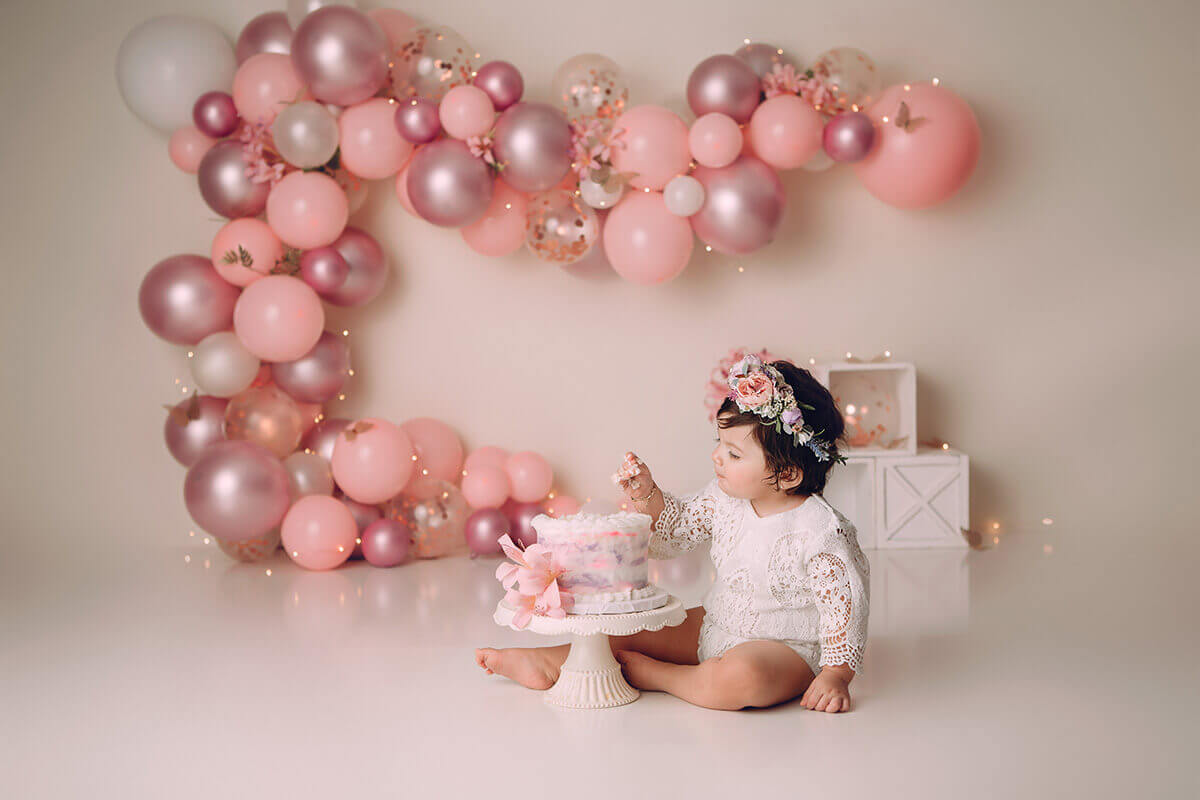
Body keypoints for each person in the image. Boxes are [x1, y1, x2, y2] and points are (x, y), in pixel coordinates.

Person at [476, 354, 870, 712]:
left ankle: (660, 677)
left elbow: (845, 606)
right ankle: (551, 661)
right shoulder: (724, 498)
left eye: (734, 454)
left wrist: (836, 673)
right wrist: (647, 493)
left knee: (744, 678)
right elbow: (674, 534)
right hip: (717, 626)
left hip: (784, 649)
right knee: (631, 630)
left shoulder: (820, 531)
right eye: (720, 443)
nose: (717, 456)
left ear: (787, 474)